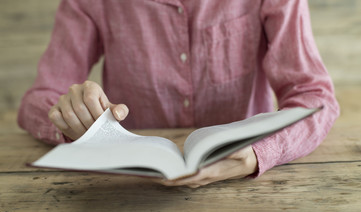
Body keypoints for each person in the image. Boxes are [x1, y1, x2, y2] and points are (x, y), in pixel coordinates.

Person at [18, 0, 339, 188]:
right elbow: (39, 98)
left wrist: (261, 151)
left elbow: (315, 96)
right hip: (128, 189)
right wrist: (71, 116)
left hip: (243, 186)